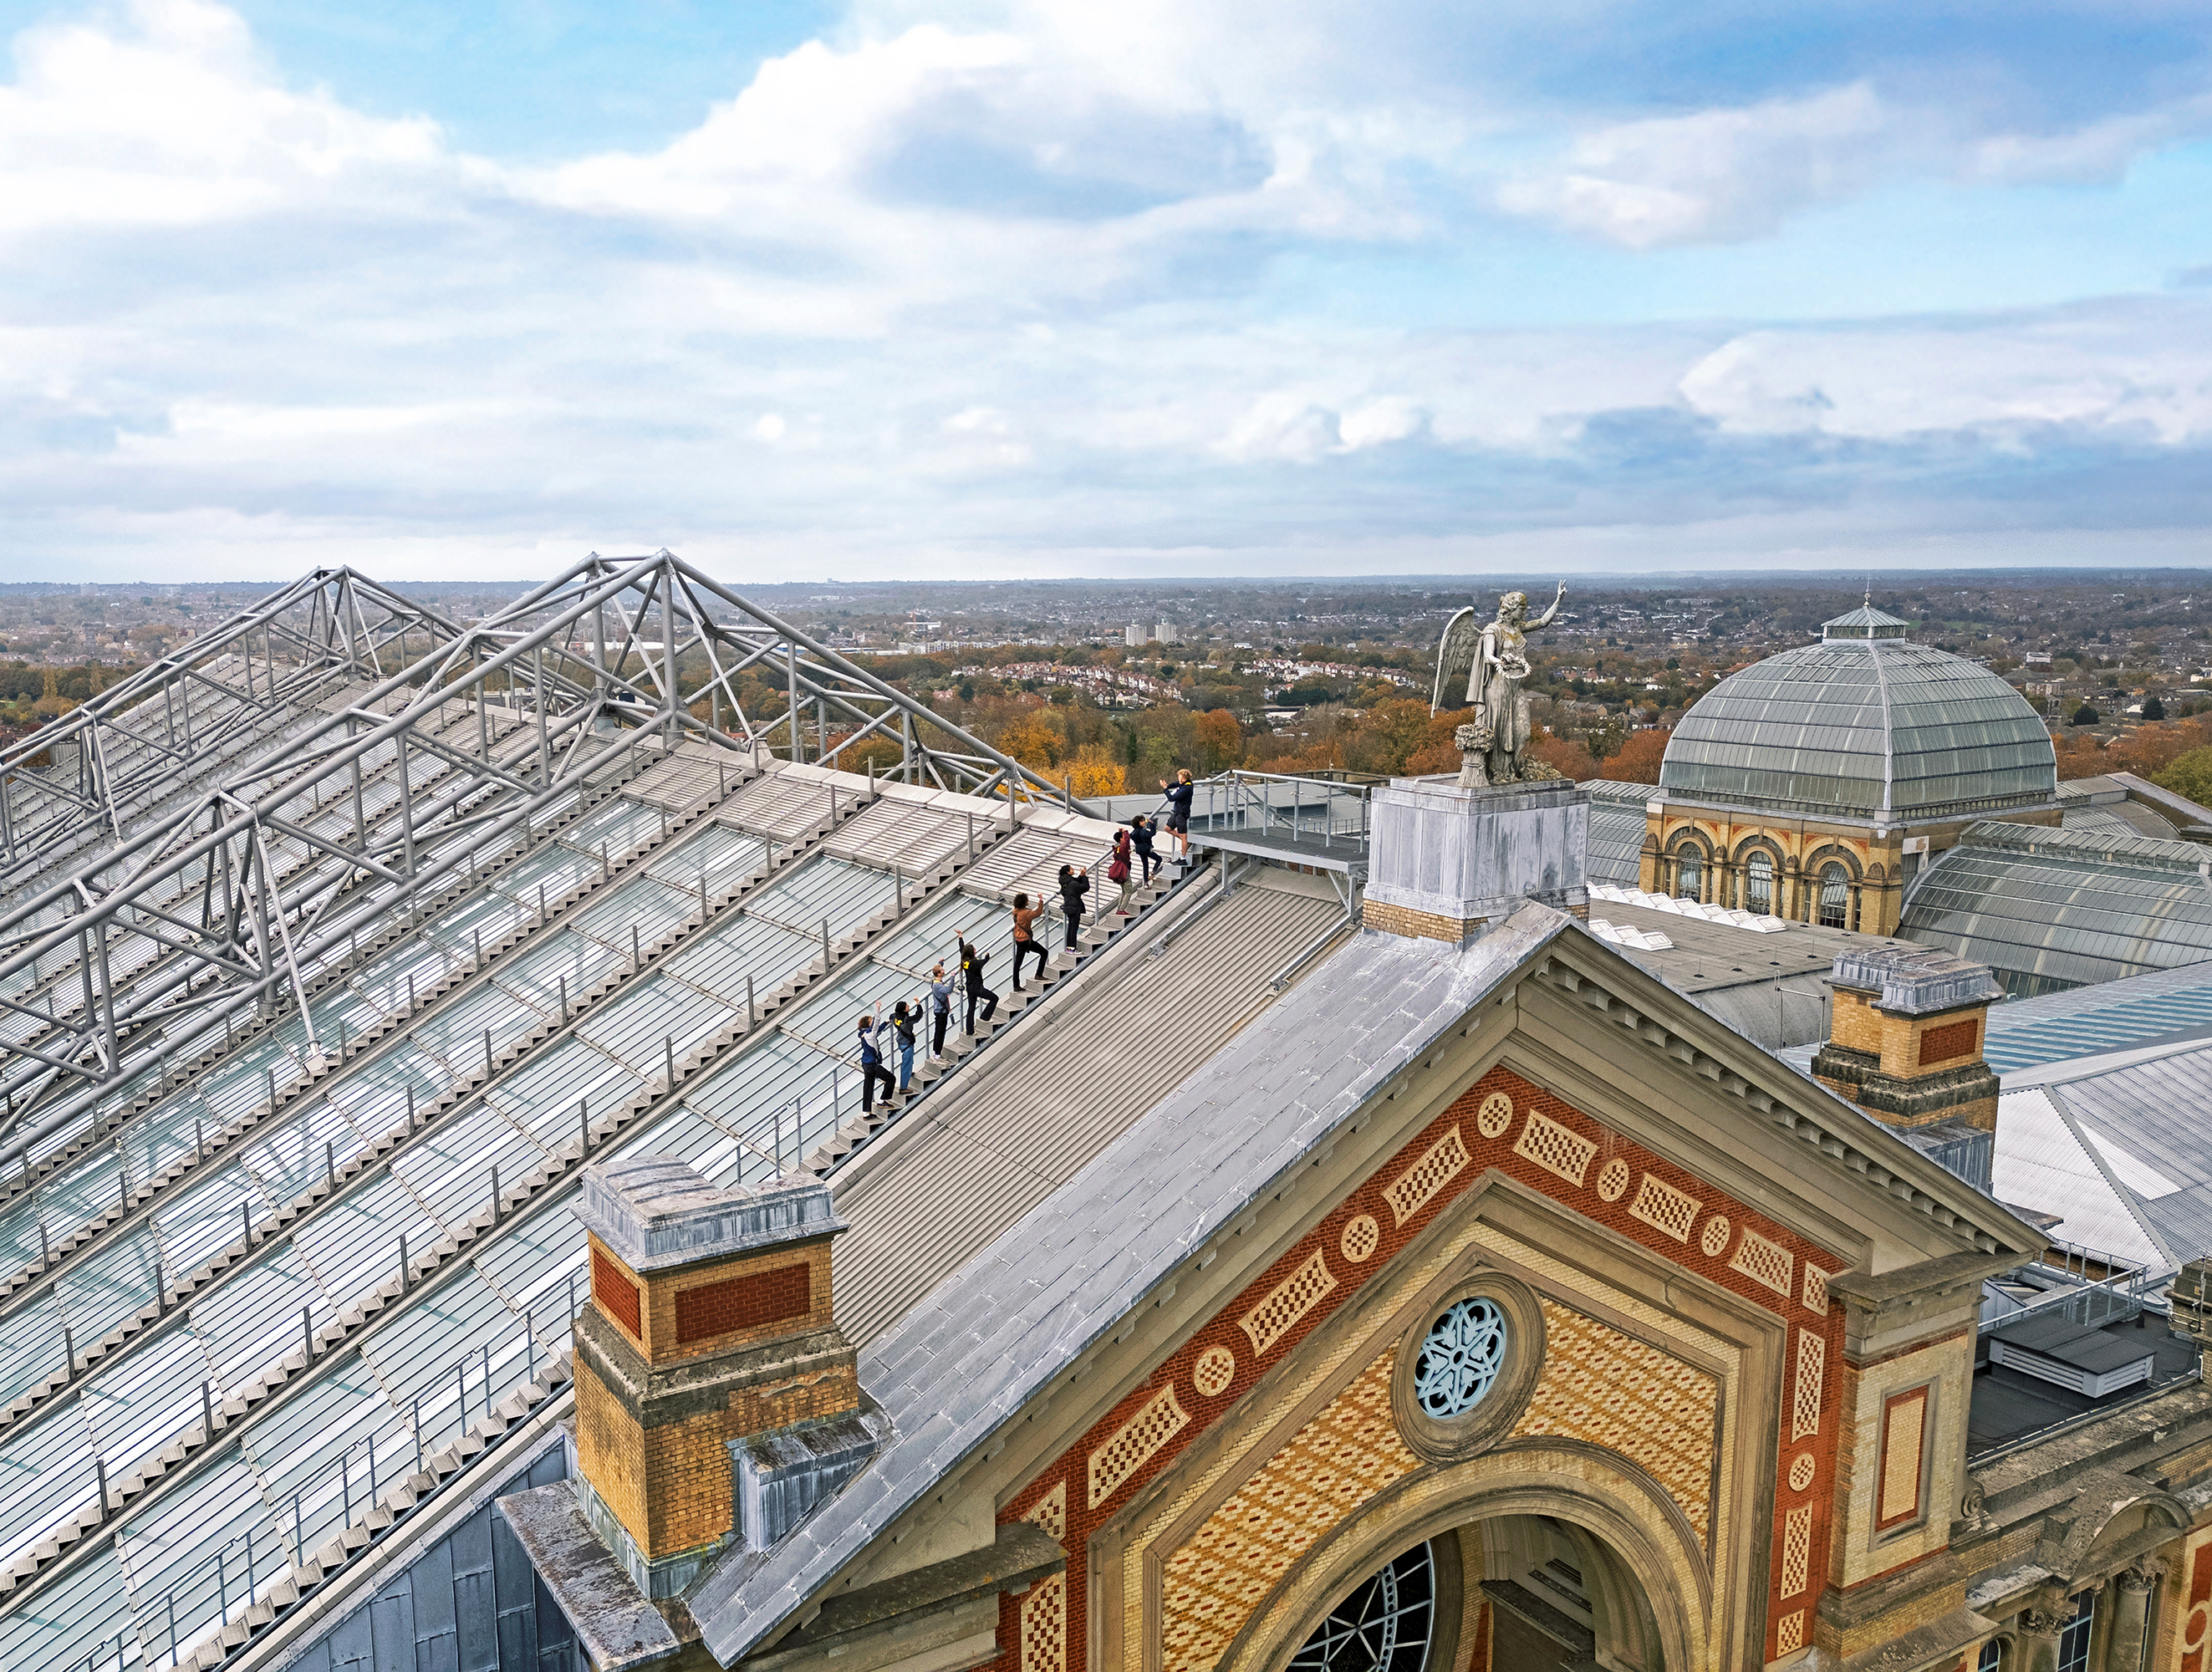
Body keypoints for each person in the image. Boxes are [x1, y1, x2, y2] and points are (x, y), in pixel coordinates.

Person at [856, 1014, 894, 1112]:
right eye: (871, 1021)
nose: (873, 1022)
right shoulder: (869, 1034)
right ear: (869, 1024)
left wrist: (885, 1023)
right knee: (891, 1079)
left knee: (868, 1088)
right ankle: (882, 1101)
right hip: (872, 1064)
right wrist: (878, 1011)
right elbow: (875, 1027)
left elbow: (876, 1029)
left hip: (866, 1064)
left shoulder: (865, 1034)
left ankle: (866, 1112)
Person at [1010, 891, 1047, 990]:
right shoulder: (1025, 913)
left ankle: (1016, 985)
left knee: (1017, 964)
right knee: (1044, 953)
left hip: (1018, 940)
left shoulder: (1015, 912)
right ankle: (1039, 974)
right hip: (1026, 940)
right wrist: (1040, 901)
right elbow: (1038, 913)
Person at [961, 937, 998, 1034]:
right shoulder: (974, 963)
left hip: (969, 988)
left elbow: (962, 949)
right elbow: (982, 963)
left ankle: (970, 1031)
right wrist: (987, 957)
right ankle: (985, 1017)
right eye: (974, 950)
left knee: (971, 1008)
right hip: (977, 988)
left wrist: (961, 938)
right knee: (994, 998)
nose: (976, 951)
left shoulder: (965, 961)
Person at [1160, 769, 1195, 861]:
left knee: (1183, 836)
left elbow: (1171, 798)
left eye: (1182, 778)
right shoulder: (1183, 784)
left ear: (1187, 779)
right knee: (1167, 828)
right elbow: (1176, 784)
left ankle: (1183, 858)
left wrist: (1165, 789)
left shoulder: (1186, 788)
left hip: (1182, 814)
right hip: (1177, 812)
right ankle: (1186, 842)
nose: (1180, 780)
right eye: (1179, 777)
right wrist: (1168, 785)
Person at [1058, 862, 1088, 950]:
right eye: (1071, 869)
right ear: (1068, 872)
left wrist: (1081, 875)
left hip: (1068, 905)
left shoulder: (1064, 881)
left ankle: (1069, 947)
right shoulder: (1071, 883)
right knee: (1074, 928)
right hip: (1075, 906)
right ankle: (1072, 947)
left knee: (1071, 927)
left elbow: (1075, 882)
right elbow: (1085, 887)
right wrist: (1084, 877)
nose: (1073, 870)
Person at [890, 1000, 917, 1092]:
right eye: (907, 1006)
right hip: (907, 1044)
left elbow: (891, 1017)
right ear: (904, 1010)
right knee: (907, 1064)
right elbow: (918, 1017)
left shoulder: (895, 1017)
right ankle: (903, 1087)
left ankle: (909, 1073)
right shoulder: (907, 1020)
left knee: (908, 1062)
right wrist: (919, 1005)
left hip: (901, 1042)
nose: (909, 1007)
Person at [1107, 825, 1134, 916]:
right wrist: (1125, 832)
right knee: (1129, 890)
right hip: (1124, 871)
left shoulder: (1117, 849)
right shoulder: (1123, 848)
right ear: (1121, 839)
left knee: (1124, 891)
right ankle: (1122, 909)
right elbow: (1127, 840)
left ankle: (1120, 908)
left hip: (1119, 872)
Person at [928, 962, 954, 1057]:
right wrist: (952, 977)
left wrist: (940, 963)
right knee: (940, 1032)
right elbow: (948, 990)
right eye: (942, 970)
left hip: (940, 1011)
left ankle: (937, 1050)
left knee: (939, 1031)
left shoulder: (934, 982)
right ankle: (937, 1052)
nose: (944, 971)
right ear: (938, 974)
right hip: (941, 1012)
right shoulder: (938, 985)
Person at [1129, 814, 1159, 885]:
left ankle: (1146, 883)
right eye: (1142, 821)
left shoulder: (1134, 833)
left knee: (1145, 865)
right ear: (1138, 823)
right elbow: (1152, 833)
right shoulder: (1143, 831)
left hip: (1139, 850)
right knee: (1159, 859)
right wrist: (1152, 824)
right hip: (1146, 849)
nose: (1144, 822)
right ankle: (1153, 872)